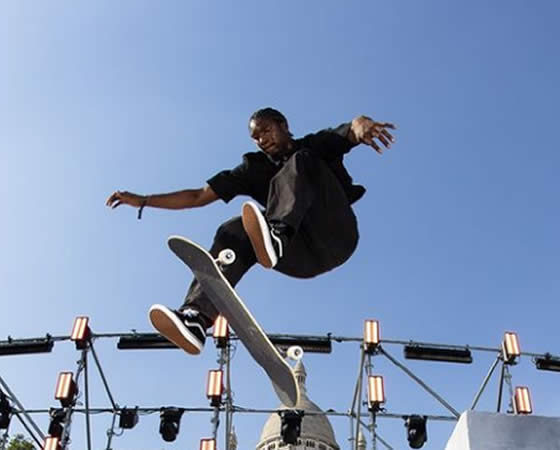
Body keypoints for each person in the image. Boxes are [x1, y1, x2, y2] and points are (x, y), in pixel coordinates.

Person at [106, 108, 396, 355]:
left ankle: (277, 234)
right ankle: (196, 318)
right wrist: (144, 200)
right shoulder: (252, 168)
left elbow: (351, 129)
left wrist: (363, 125)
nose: (262, 140)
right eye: (256, 137)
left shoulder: (316, 144)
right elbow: (198, 196)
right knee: (232, 231)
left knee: (302, 160)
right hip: (300, 258)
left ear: (284, 126)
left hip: (336, 234)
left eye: (267, 131)